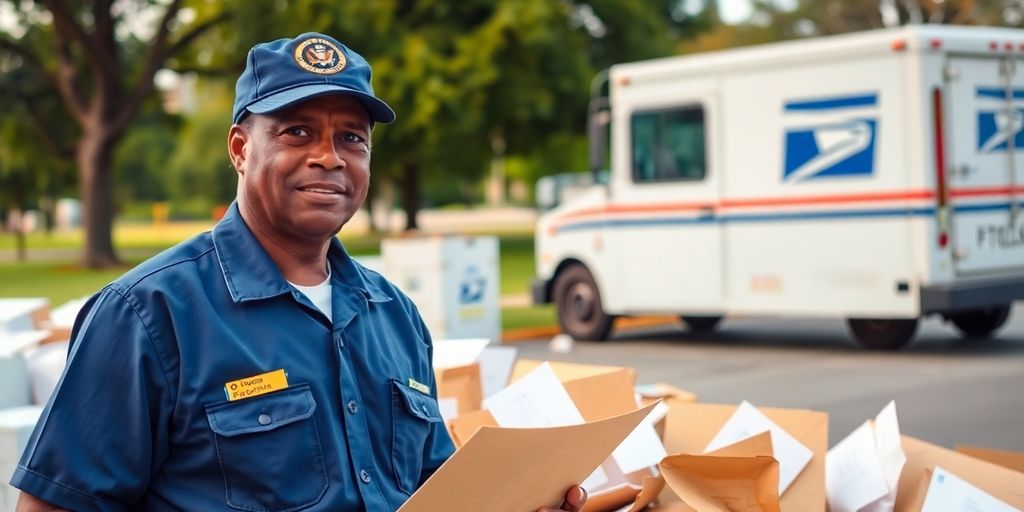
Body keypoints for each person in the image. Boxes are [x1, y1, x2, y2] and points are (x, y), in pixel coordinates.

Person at [11, 33, 587, 512]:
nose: (329, 157)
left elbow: (434, 491)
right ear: (240, 148)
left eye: (351, 138)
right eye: (297, 132)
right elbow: (54, 504)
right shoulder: (149, 313)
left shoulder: (394, 314)